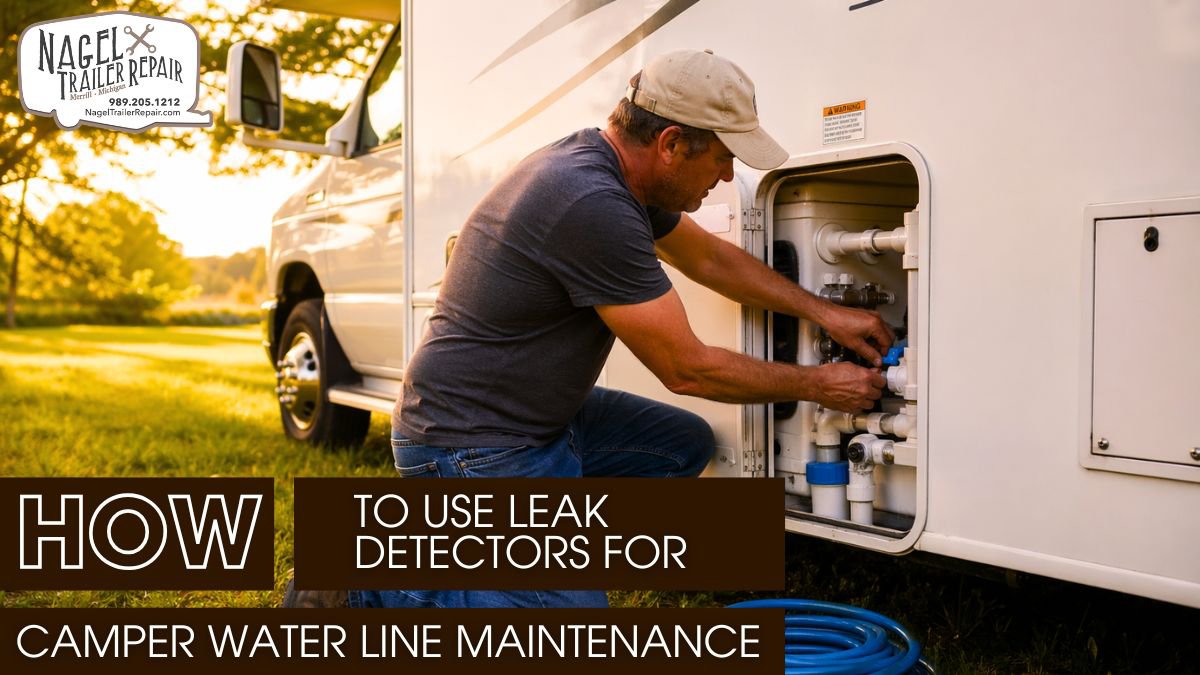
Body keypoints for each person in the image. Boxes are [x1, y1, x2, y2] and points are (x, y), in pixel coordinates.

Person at [291, 48, 891, 610]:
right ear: (672, 144)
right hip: (467, 444)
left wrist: (825, 310)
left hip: (542, 420)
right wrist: (818, 384)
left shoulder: (615, 173)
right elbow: (686, 368)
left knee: (678, 447)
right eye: (724, 156)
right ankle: (363, 587)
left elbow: (709, 260)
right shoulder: (588, 201)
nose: (726, 173)